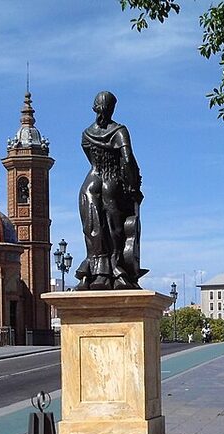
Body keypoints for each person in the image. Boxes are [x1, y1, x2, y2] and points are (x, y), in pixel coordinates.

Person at [75, 91, 145, 290]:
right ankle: (116, 268)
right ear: (113, 108)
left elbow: (90, 158)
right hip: (111, 180)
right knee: (115, 227)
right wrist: (133, 187)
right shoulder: (119, 131)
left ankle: (97, 273)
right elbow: (128, 159)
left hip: (90, 181)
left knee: (93, 228)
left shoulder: (86, 134)